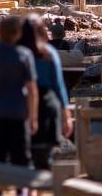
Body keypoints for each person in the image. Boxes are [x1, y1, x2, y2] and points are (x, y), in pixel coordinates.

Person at [0, 16, 39, 192]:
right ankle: (21, 191)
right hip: (18, 113)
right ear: (18, 34)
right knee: (20, 156)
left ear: (1, 32)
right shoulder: (24, 55)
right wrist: (33, 117)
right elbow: (32, 88)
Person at [18, 15, 72, 176]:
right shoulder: (49, 53)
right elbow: (58, 85)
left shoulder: (17, 53)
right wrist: (66, 114)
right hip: (47, 105)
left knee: (24, 155)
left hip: (22, 104)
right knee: (45, 156)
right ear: (43, 30)